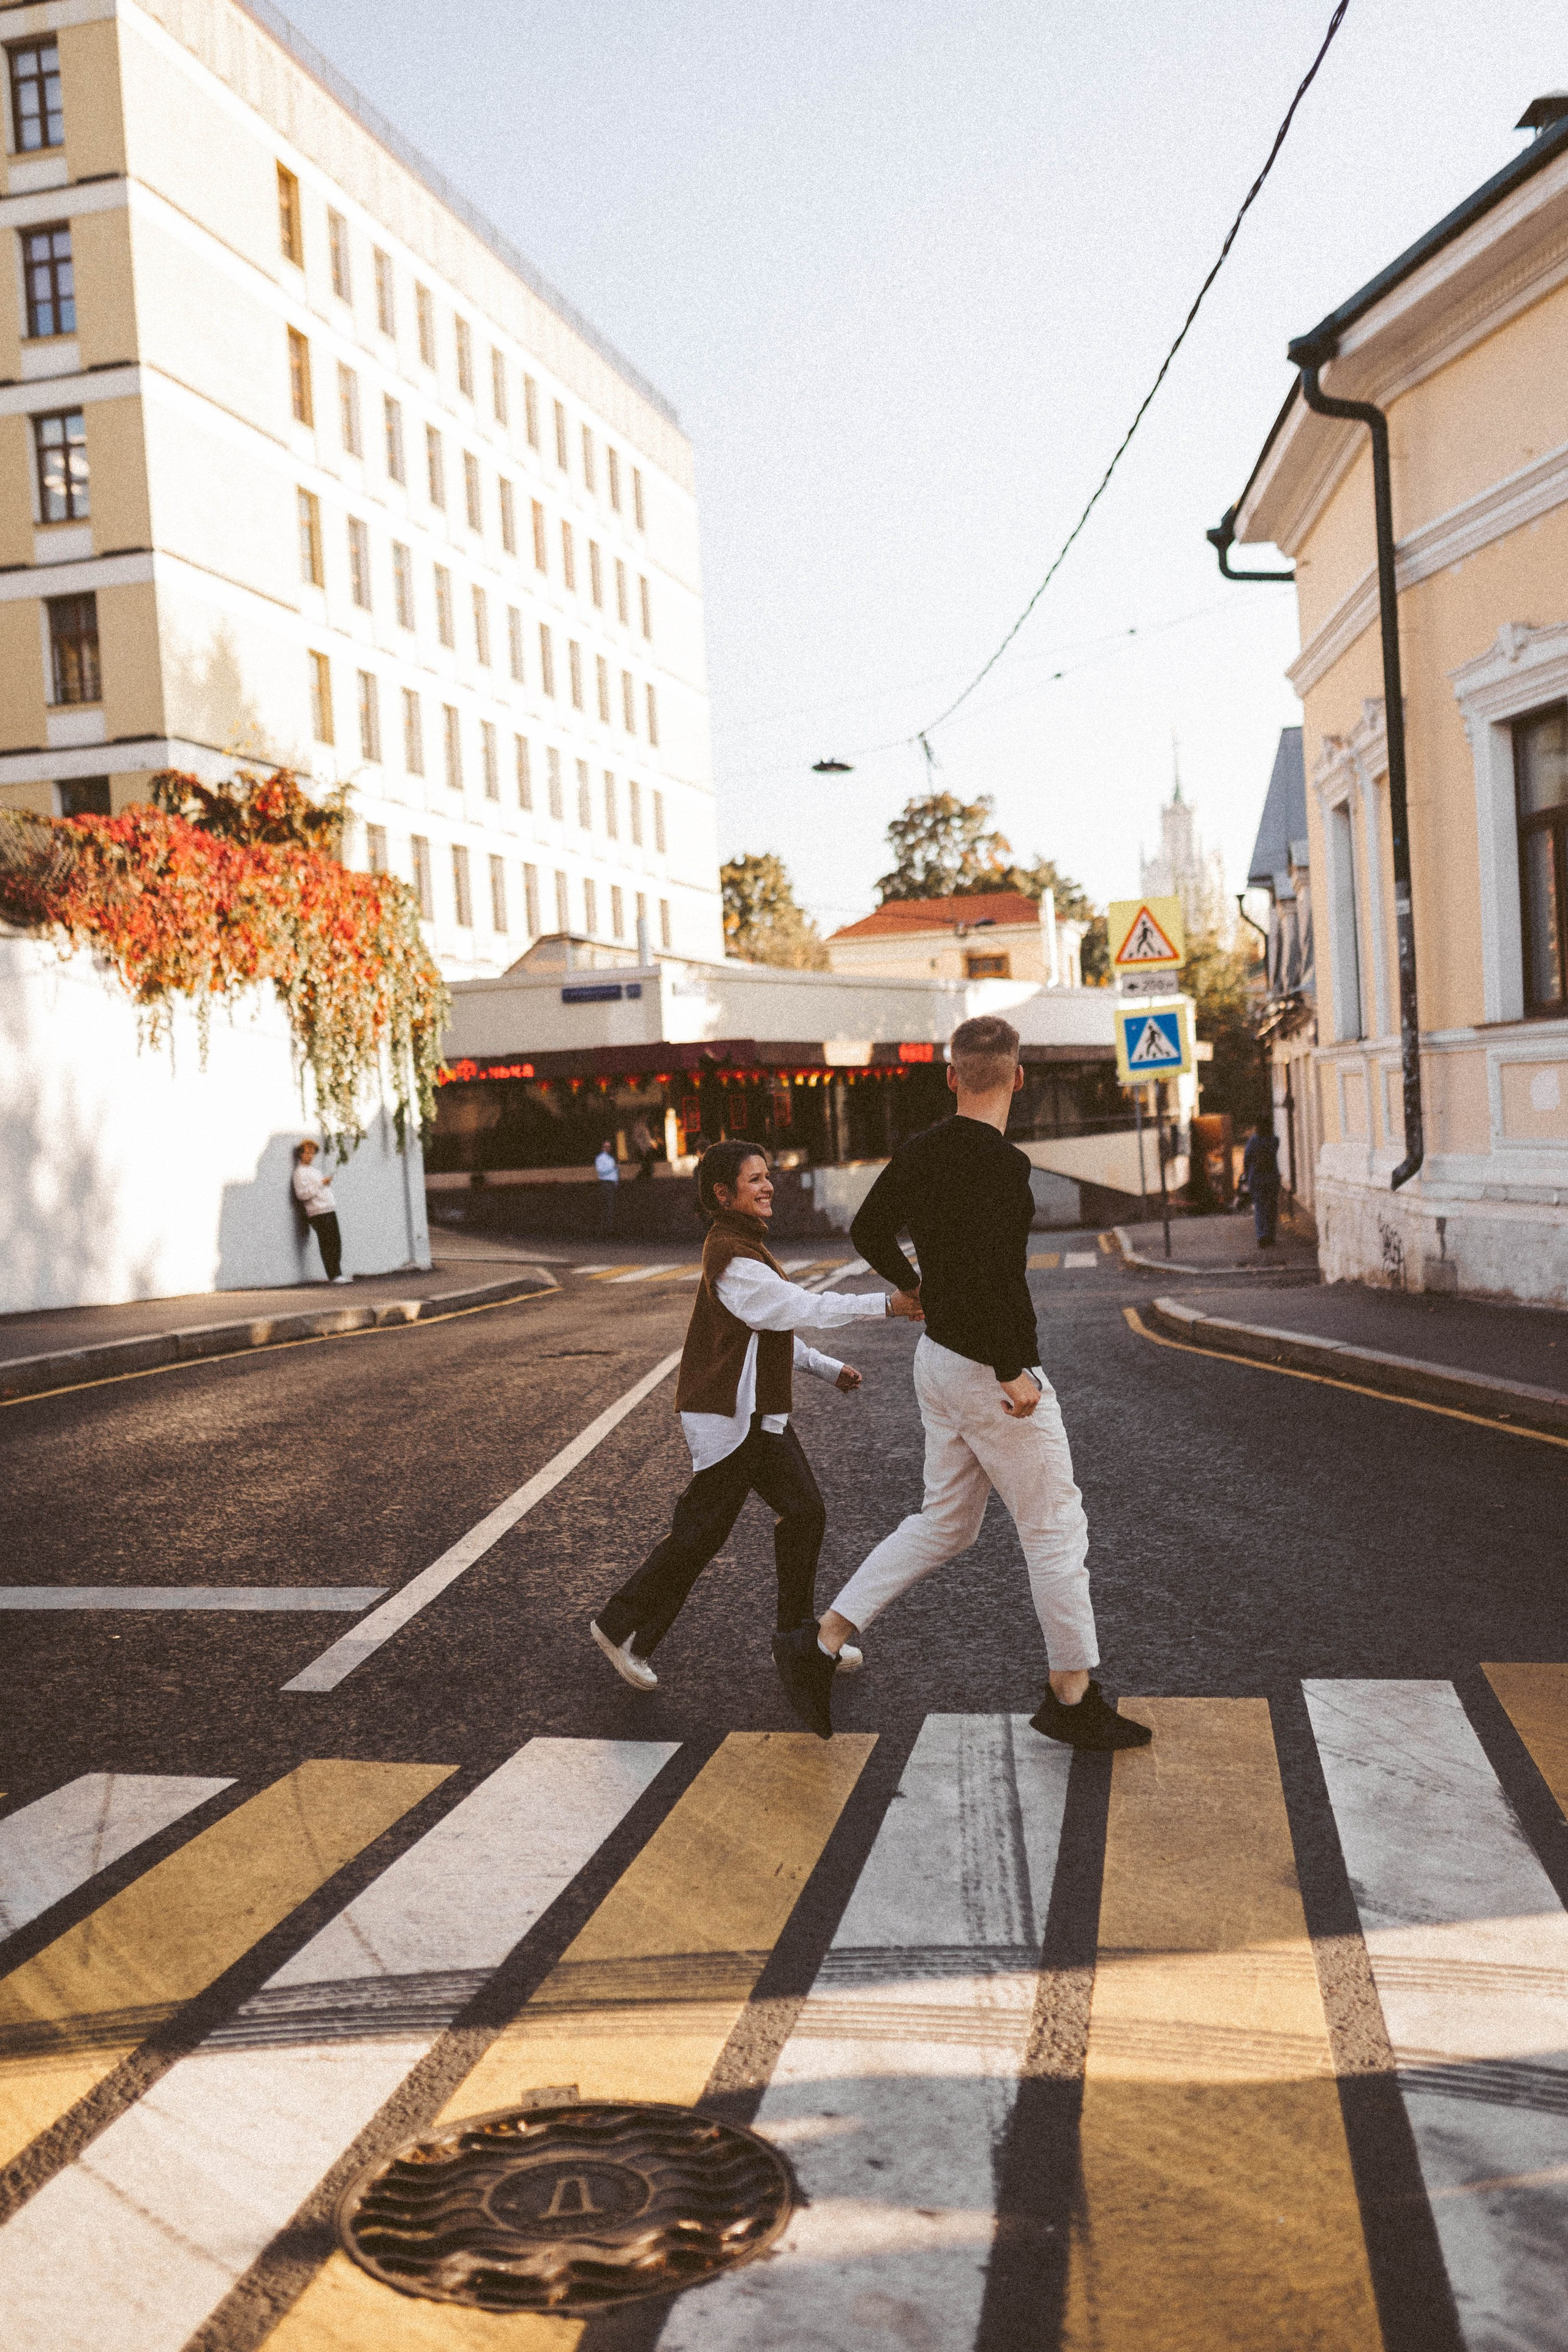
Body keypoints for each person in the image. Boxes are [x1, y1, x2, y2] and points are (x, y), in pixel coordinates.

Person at [815, 1014, 1151, 1753]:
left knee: (946, 1523)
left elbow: (869, 1231)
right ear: (1019, 1078)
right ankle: (1072, 1695)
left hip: (936, 1359)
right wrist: (1010, 1370)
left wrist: (914, 1289)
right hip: (987, 1369)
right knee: (1055, 1528)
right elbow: (995, 1278)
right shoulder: (1004, 1167)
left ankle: (825, 1637)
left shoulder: (921, 1150)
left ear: (951, 1076)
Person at [590, 1140, 924, 1735]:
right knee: (700, 1536)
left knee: (804, 1514)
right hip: (730, 1421)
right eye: (755, 1180)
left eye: (768, 1177)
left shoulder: (748, 1249)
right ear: (724, 1195)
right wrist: (889, 1305)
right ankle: (621, 1629)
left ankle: (800, 1643)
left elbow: (772, 1331)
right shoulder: (733, 1258)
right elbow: (799, 1308)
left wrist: (826, 1369)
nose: (768, 1187)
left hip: (758, 1419)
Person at [292, 1140, 352, 1284]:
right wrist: (320, 1184)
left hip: (328, 1209)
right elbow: (302, 1194)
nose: (310, 1156)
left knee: (336, 1241)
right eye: (307, 1152)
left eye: (312, 1153)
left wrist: (324, 1185)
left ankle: (338, 1273)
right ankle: (334, 1275)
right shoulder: (299, 1173)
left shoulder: (314, 1171)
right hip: (317, 1212)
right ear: (301, 1154)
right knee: (327, 1242)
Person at [1243, 1123, 1281, 1249]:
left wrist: (1248, 1177)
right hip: (1271, 1178)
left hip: (1257, 1179)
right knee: (1272, 1207)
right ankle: (1271, 1236)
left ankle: (1262, 1235)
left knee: (1260, 1208)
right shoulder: (1274, 1141)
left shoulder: (1253, 1142)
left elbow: (1247, 1159)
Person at [594, 1138, 620, 1237]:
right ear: (602, 1147)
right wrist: (613, 1167)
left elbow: (615, 1172)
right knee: (607, 1206)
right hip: (606, 1183)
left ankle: (609, 1227)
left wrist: (616, 1182)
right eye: (606, 1146)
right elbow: (601, 1171)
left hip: (612, 1184)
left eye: (609, 1147)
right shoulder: (601, 1158)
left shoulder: (611, 1158)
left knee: (610, 1206)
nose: (608, 1148)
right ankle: (606, 1228)